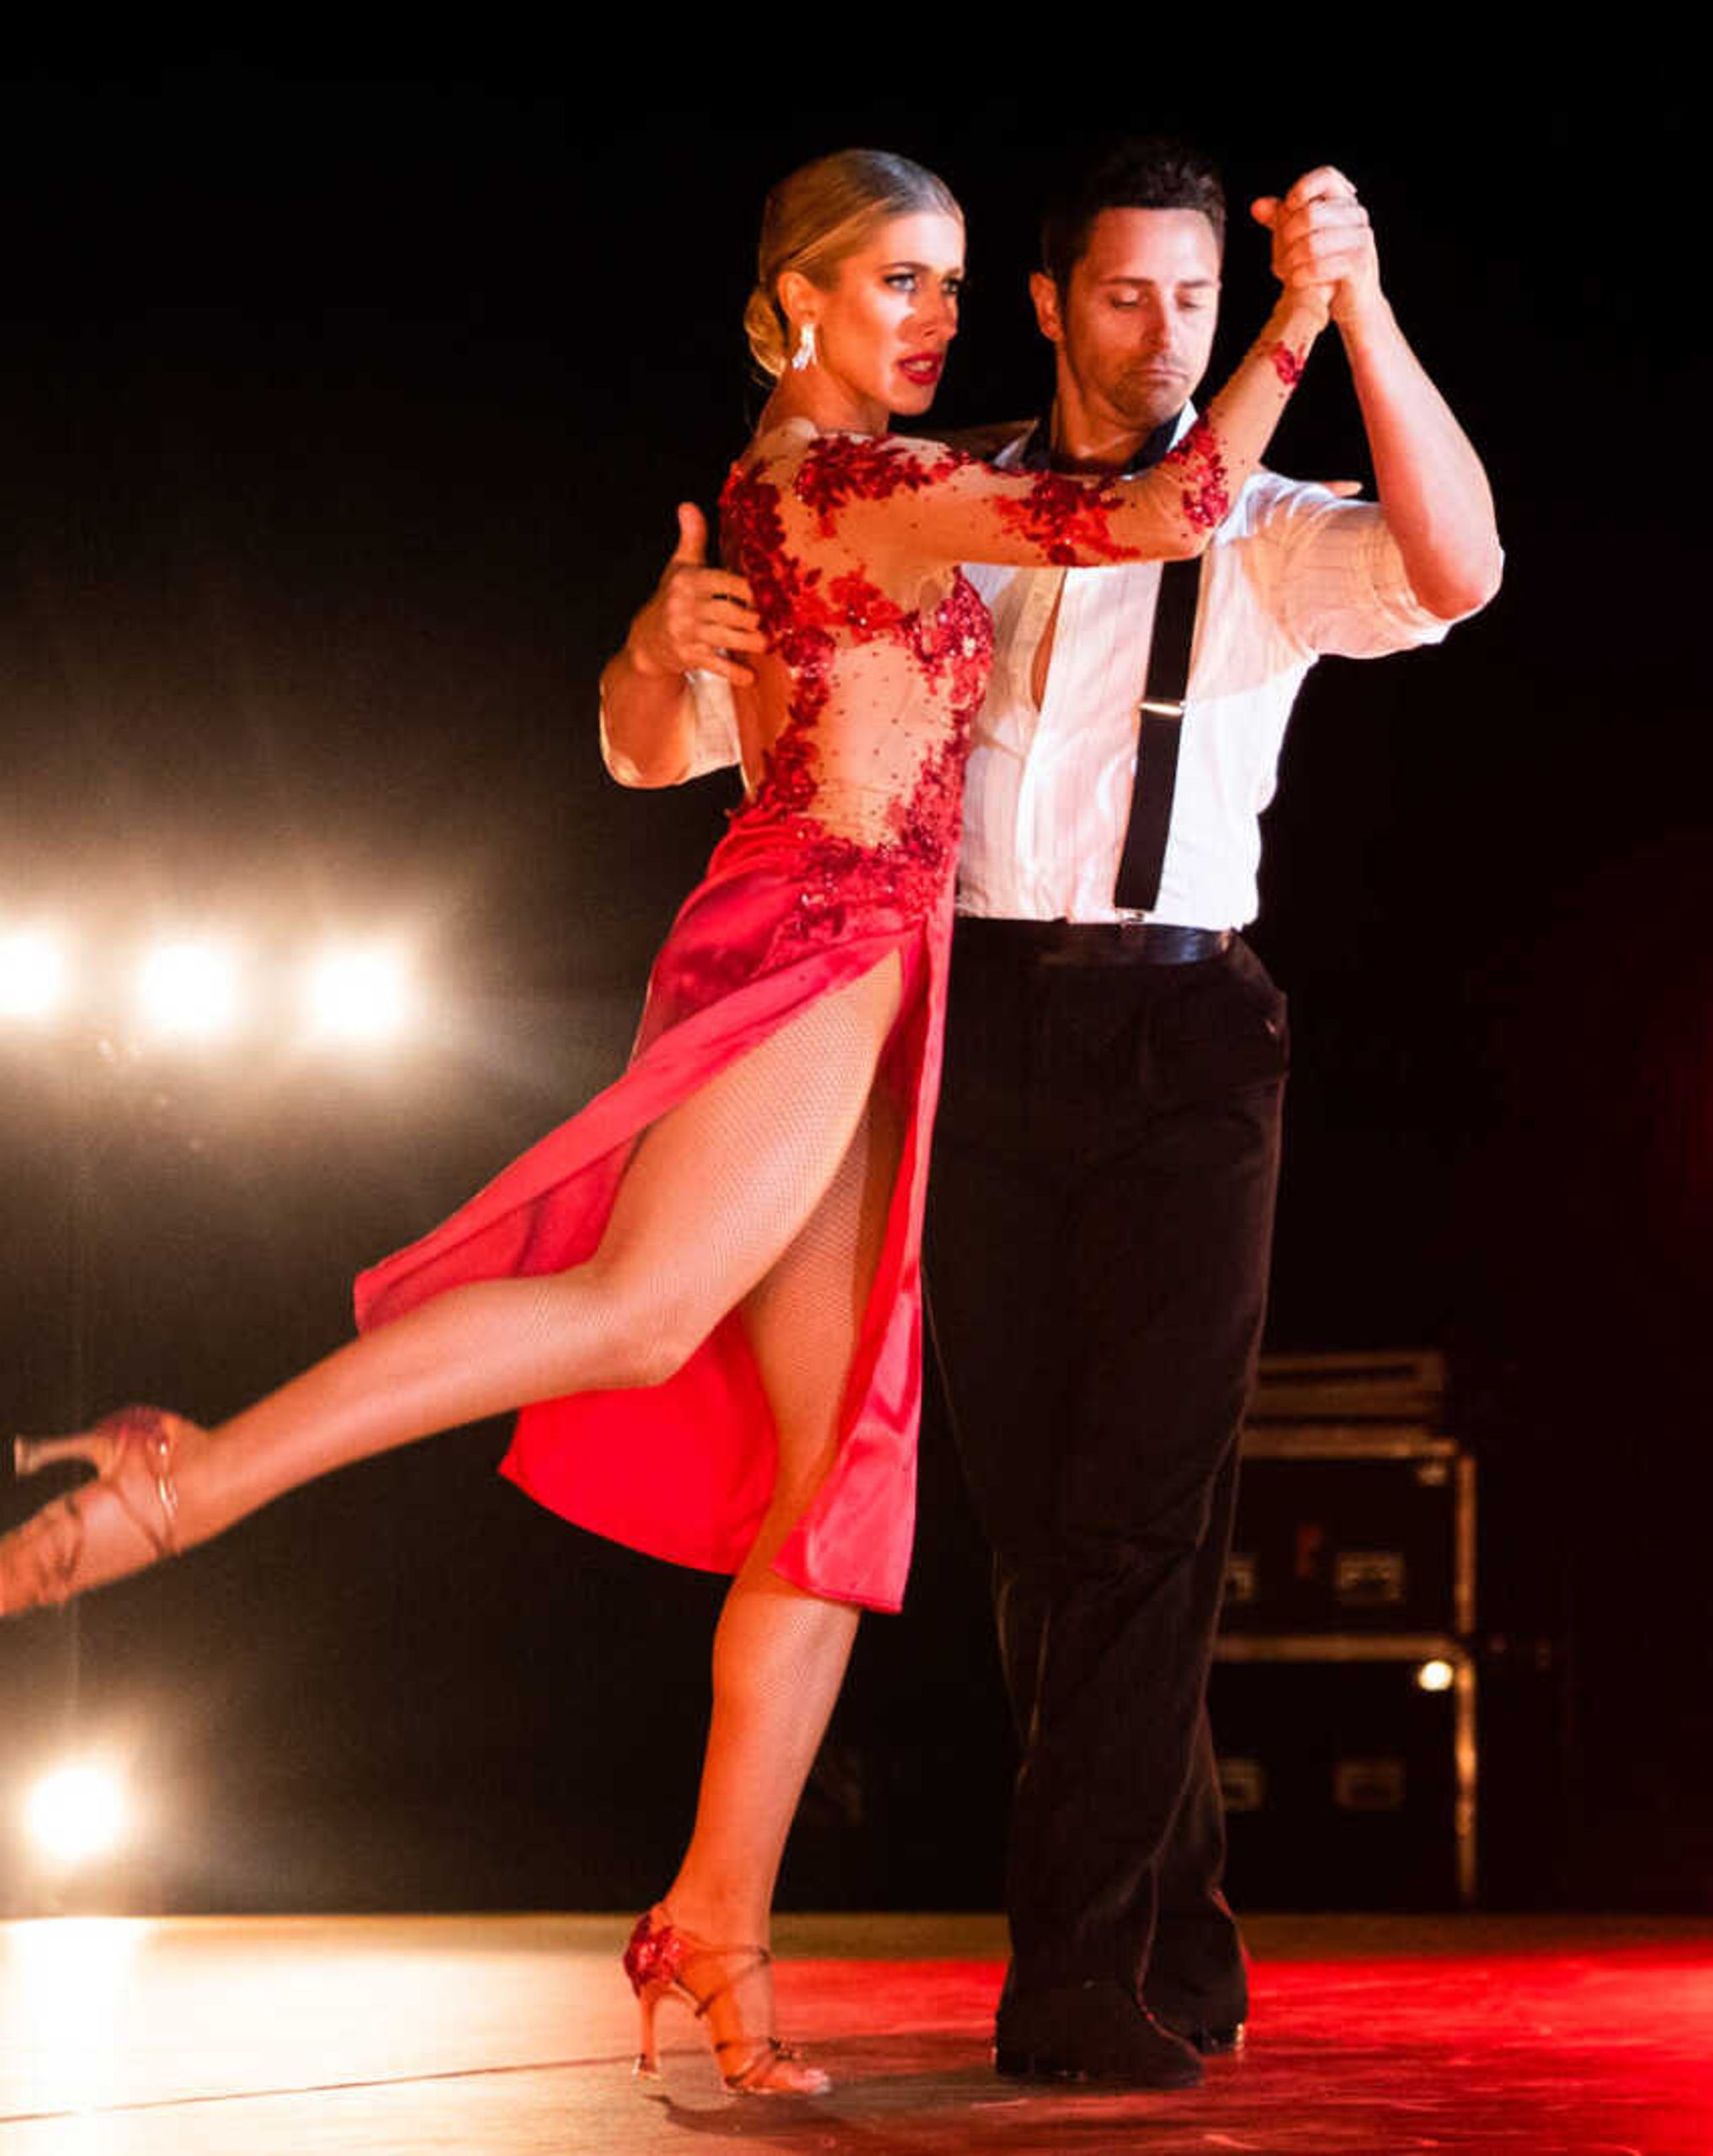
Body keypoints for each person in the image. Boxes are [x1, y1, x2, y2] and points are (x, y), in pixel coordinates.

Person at [0, 145, 1334, 2099]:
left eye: (949, 286)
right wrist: (1302, 308)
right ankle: (195, 1473)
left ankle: (717, 1926)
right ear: (795, 305)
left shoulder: (792, 491)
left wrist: (660, 647)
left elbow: (650, 726)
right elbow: (1177, 506)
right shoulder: (850, 482)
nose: (933, 319)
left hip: (883, 981)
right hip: (818, 941)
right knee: (634, 1314)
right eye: (896, 286)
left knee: (825, 1504)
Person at [621, 140, 1498, 2090]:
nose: (1164, 329)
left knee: (1142, 1517)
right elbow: (667, 745)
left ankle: (1079, 1977)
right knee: (1040, 1526)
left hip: (1188, 1041)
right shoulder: (946, 504)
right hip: (972, 1024)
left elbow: (1463, 568)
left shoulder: (1259, 519)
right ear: (1046, 302)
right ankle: (1176, 1929)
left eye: (1198, 297)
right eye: (1125, 293)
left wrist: (1350, 309)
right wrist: (654, 650)